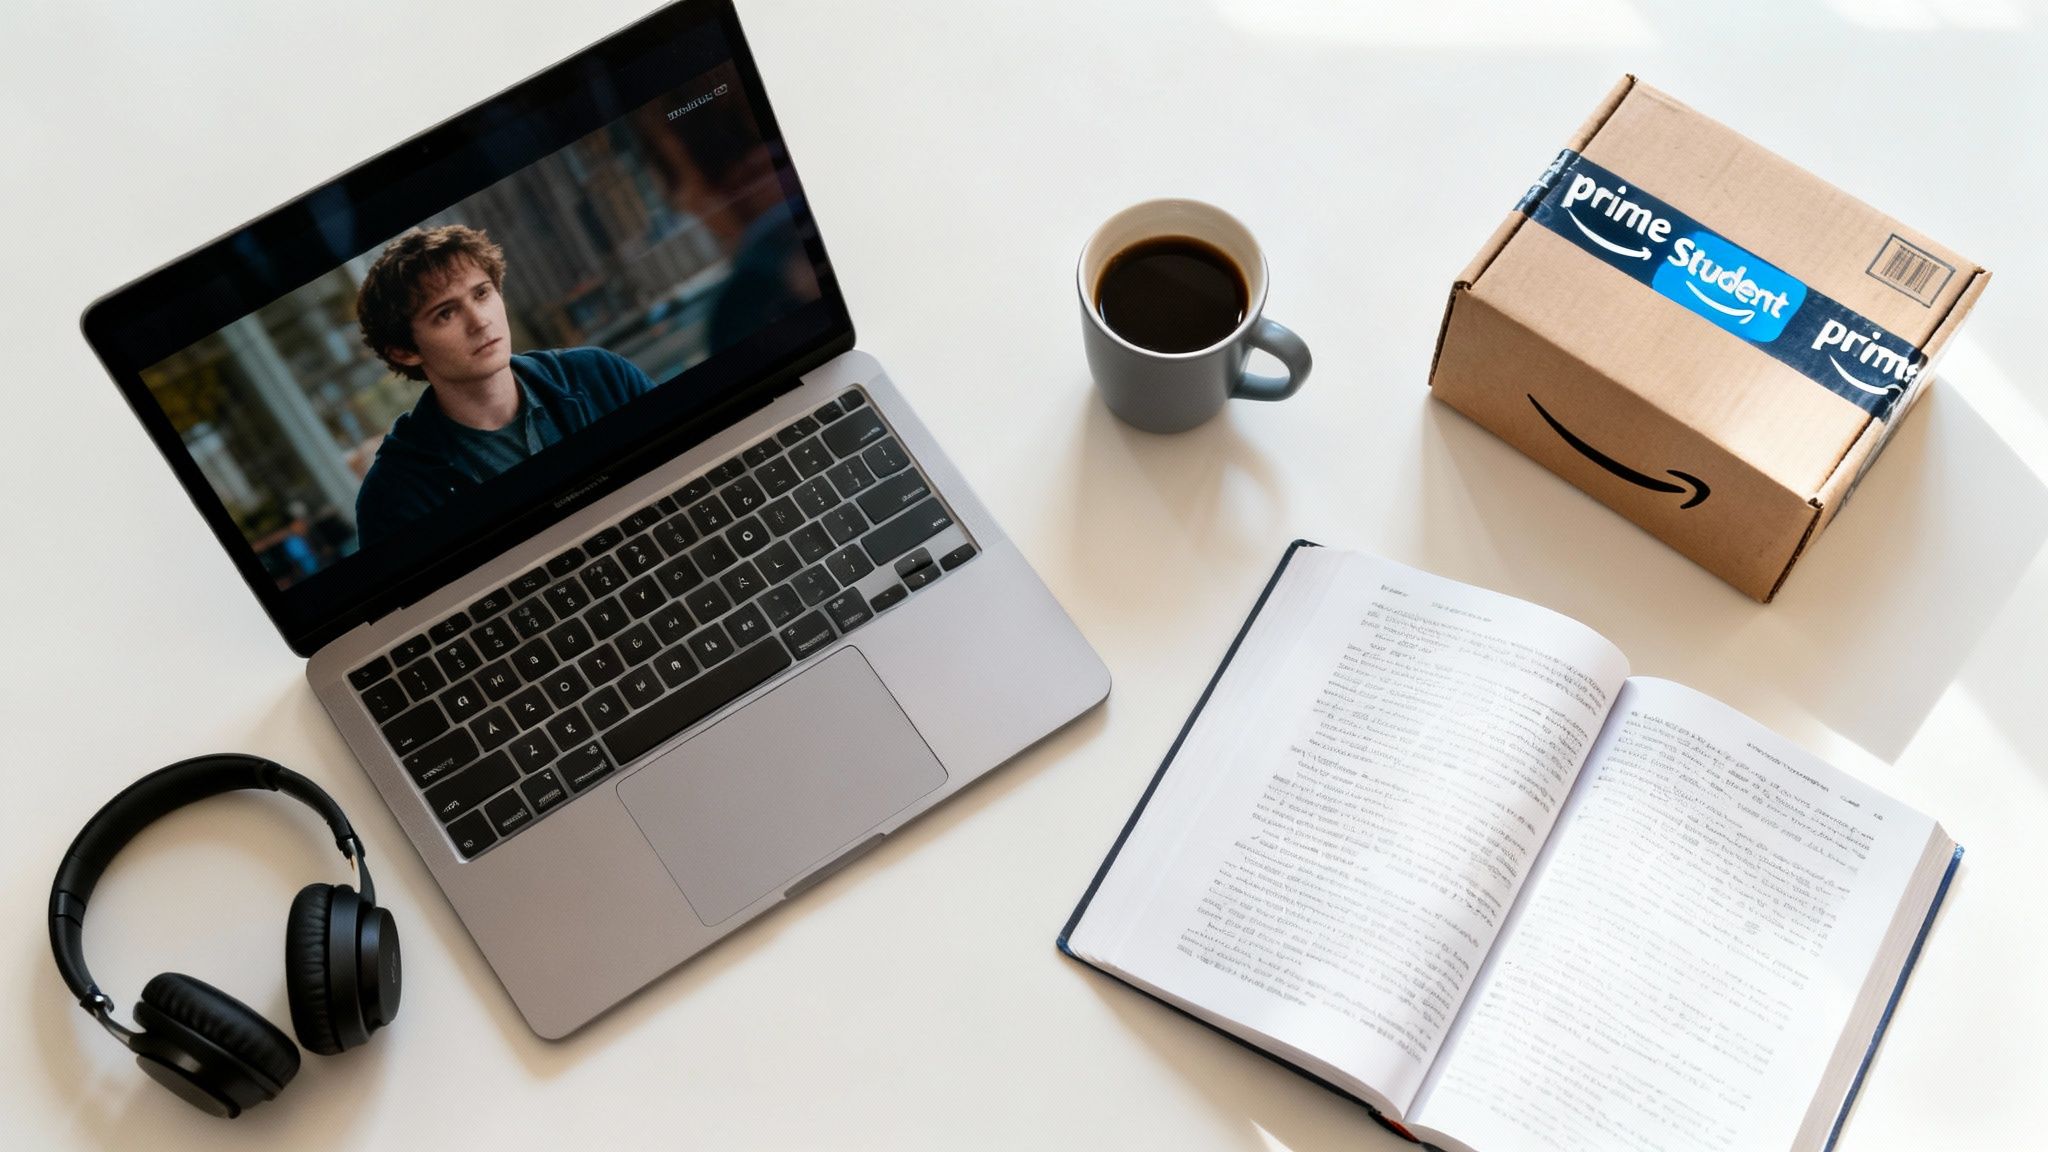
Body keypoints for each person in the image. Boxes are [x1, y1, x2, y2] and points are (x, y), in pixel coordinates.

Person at [352, 225, 655, 546]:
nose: (480, 320)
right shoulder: (393, 497)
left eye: (481, 293)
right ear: (404, 351)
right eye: (446, 314)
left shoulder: (600, 374)